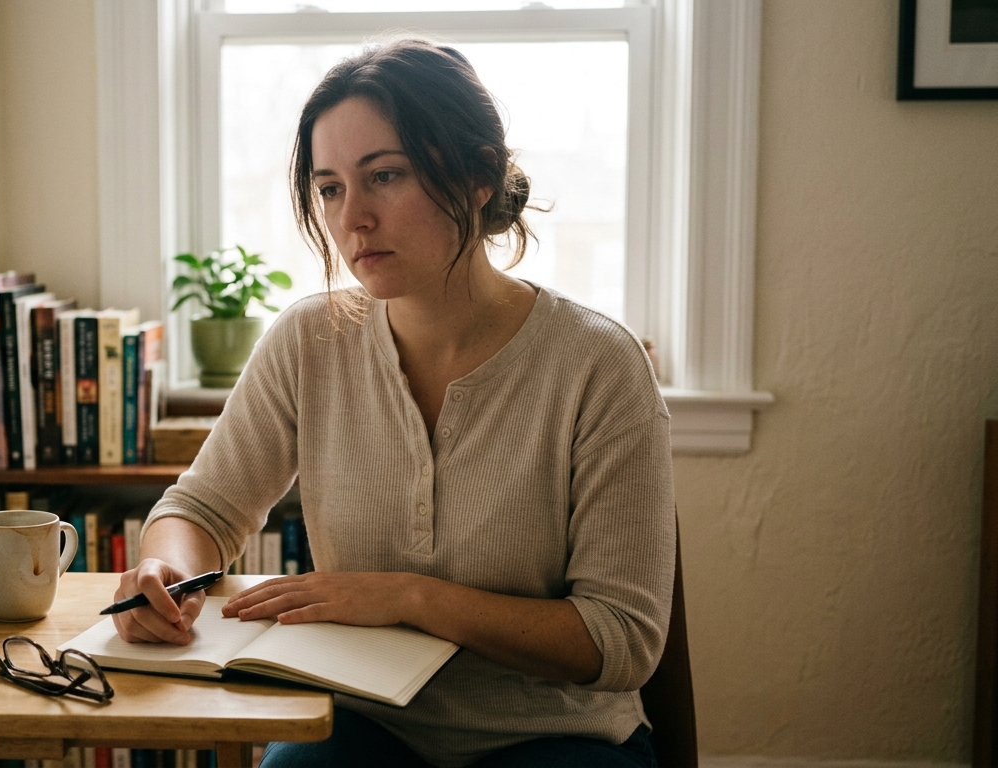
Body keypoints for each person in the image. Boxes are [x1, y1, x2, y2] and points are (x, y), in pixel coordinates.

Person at [113, 39, 675, 768]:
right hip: (360, 728)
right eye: (330, 188)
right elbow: (204, 511)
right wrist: (163, 570)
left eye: (384, 175)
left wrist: (412, 598)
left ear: (477, 176)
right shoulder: (308, 341)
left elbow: (621, 641)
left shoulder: (598, 364)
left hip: (555, 736)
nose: (353, 220)